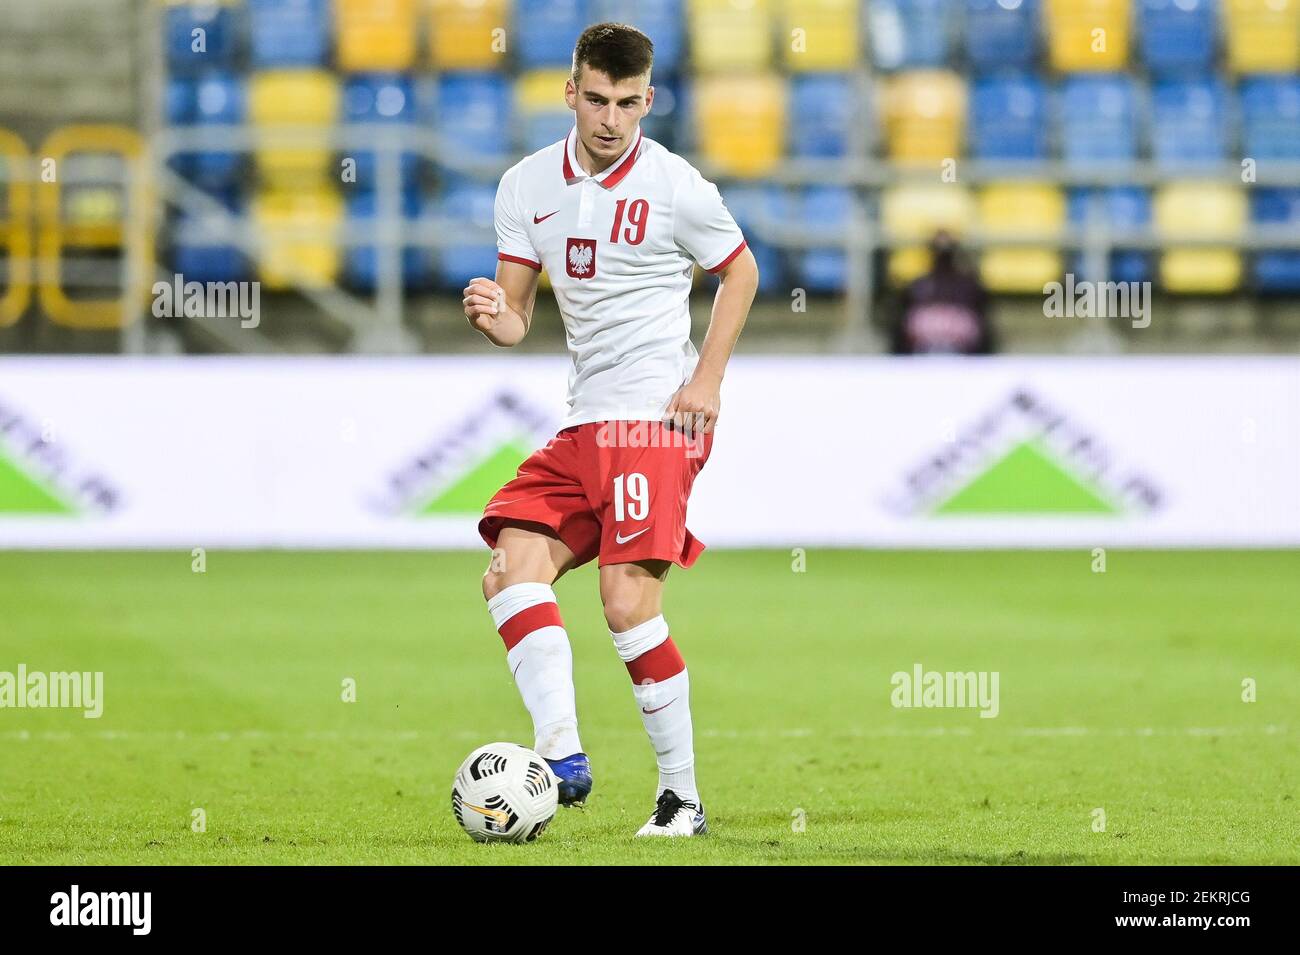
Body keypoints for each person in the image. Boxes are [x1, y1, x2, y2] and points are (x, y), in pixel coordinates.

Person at [461, 22, 759, 837]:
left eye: (628, 103)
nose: (610, 118)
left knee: (625, 603)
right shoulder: (525, 186)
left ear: (648, 101)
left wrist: (707, 380)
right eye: (596, 99)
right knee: (509, 566)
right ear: (570, 91)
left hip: (657, 419)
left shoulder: (675, 185)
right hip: (585, 421)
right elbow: (519, 314)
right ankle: (560, 755)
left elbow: (740, 270)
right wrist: (496, 315)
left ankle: (681, 799)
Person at [889, 230, 995, 355]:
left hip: (964, 361)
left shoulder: (969, 287)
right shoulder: (917, 287)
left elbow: (982, 331)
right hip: (920, 360)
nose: (942, 257)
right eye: (938, 251)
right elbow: (902, 333)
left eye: (947, 252)